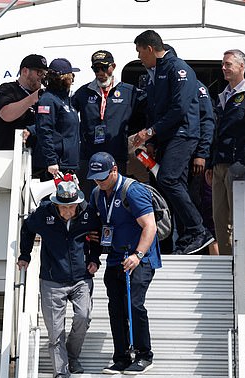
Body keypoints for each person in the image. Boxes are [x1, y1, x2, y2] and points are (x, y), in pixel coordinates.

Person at [132, 30, 214, 255]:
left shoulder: (179, 69)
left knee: (168, 180)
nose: (139, 58)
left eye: (140, 52)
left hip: (183, 134)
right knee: (172, 186)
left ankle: (198, 230)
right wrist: (152, 141)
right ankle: (189, 234)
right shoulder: (158, 72)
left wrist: (150, 132)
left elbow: (179, 108)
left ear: (149, 48)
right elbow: (155, 110)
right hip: (168, 138)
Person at [18, 180, 101, 378]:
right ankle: (61, 376)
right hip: (52, 280)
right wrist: (25, 254)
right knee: (55, 332)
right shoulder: (45, 213)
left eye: (71, 207)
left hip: (81, 278)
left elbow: (96, 235)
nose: (67, 211)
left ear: (78, 203)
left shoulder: (87, 213)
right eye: (63, 207)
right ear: (56, 204)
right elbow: (27, 228)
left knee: (84, 316)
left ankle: (72, 356)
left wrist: (94, 259)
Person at [87, 152, 161, 375]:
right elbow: (95, 229)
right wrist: (93, 258)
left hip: (139, 258)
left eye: (103, 177)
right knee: (116, 308)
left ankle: (143, 354)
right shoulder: (97, 193)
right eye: (95, 178)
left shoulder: (133, 190)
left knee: (134, 305)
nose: (99, 182)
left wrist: (138, 255)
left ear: (114, 170)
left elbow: (150, 226)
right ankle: (120, 356)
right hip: (114, 258)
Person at [206, 49, 245, 255]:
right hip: (219, 164)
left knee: (238, 215)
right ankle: (227, 259)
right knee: (219, 216)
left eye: (228, 64)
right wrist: (210, 163)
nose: (224, 68)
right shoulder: (222, 96)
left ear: (241, 67)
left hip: (237, 164)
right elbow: (215, 132)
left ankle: (240, 258)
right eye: (223, 64)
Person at [72, 50, 144, 194]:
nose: (100, 72)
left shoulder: (129, 91)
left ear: (113, 66)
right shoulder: (83, 92)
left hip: (116, 157)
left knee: (117, 198)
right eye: (96, 68)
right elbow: (64, 116)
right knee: (89, 200)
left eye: (104, 67)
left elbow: (148, 115)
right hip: (89, 157)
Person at [33, 58, 81, 180]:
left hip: (67, 164)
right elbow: (44, 130)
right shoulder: (48, 99)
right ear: (66, 78)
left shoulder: (65, 99)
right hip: (55, 166)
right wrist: (51, 161)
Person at [0, 54, 48, 151]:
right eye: (39, 72)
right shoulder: (7, 89)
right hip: (8, 156)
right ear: (25, 71)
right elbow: (6, 114)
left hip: (35, 157)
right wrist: (32, 99)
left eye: (44, 73)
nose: (42, 77)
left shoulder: (44, 96)